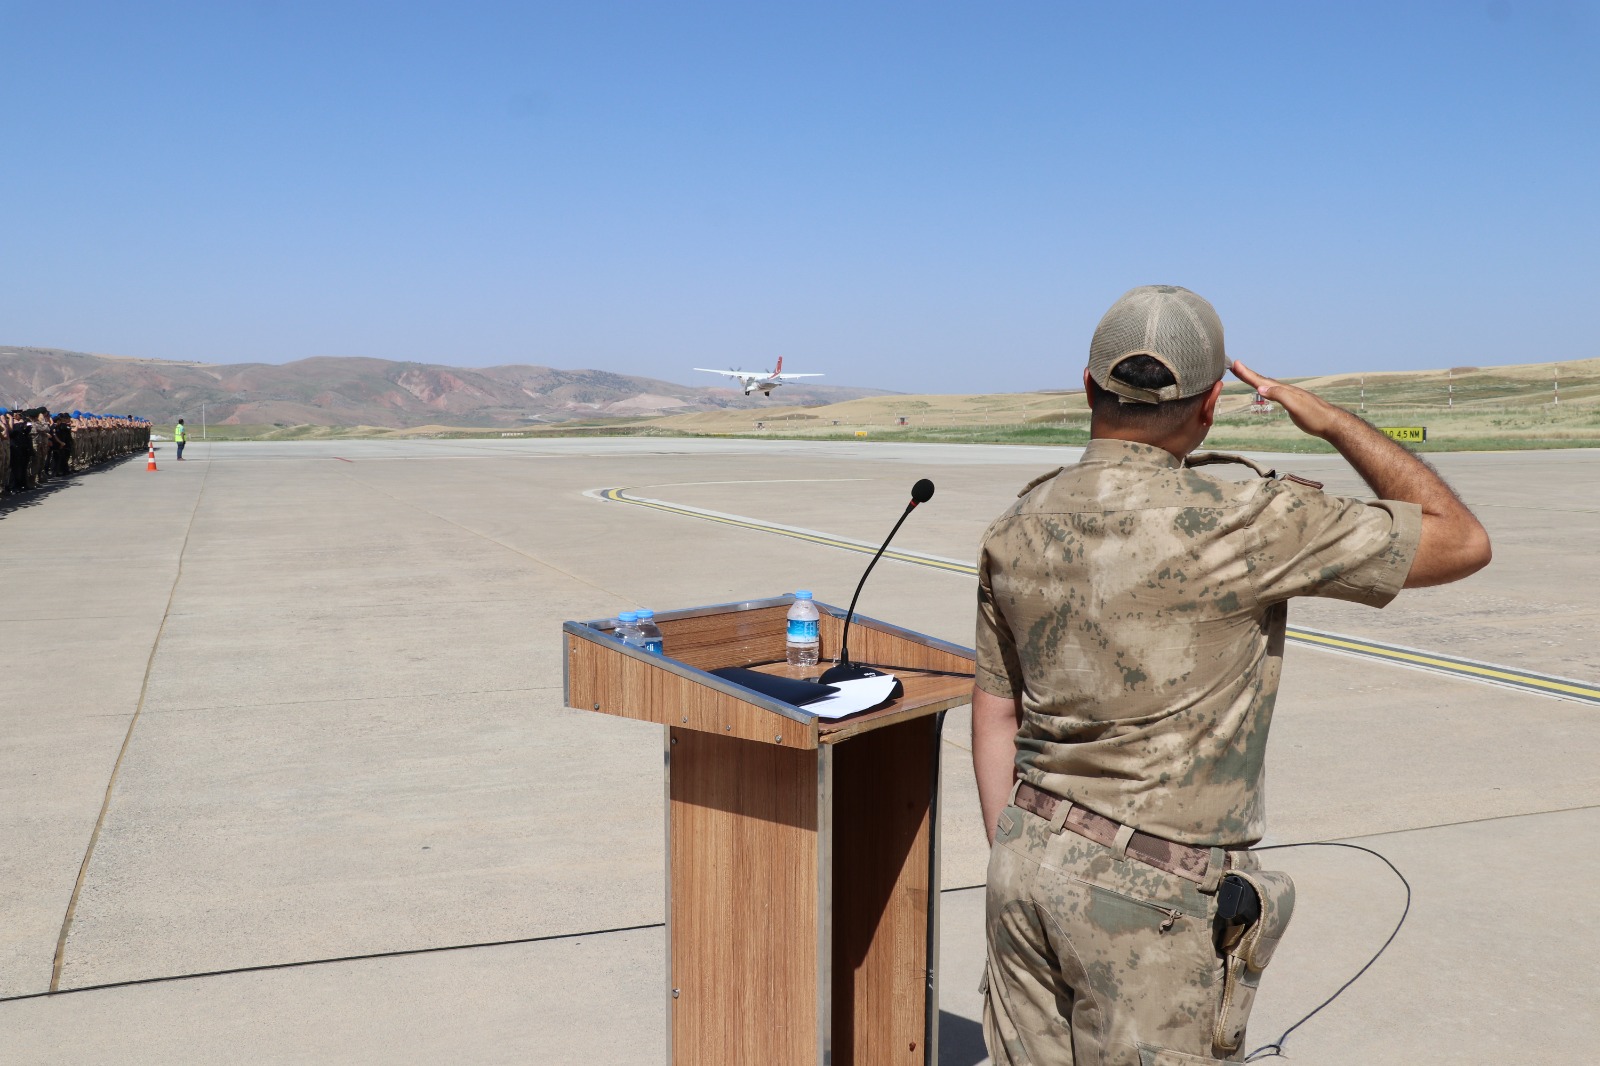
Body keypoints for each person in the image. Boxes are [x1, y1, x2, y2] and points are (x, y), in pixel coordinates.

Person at [971, 285, 1491, 1065]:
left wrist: (1022, 854)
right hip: (1152, 898)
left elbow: (994, 717)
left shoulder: (1016, 525)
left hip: (1025, 859)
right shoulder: (1246, 518)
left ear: (1087, 386)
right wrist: (1330, 419)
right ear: (1211, 402)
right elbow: (1462, 542)